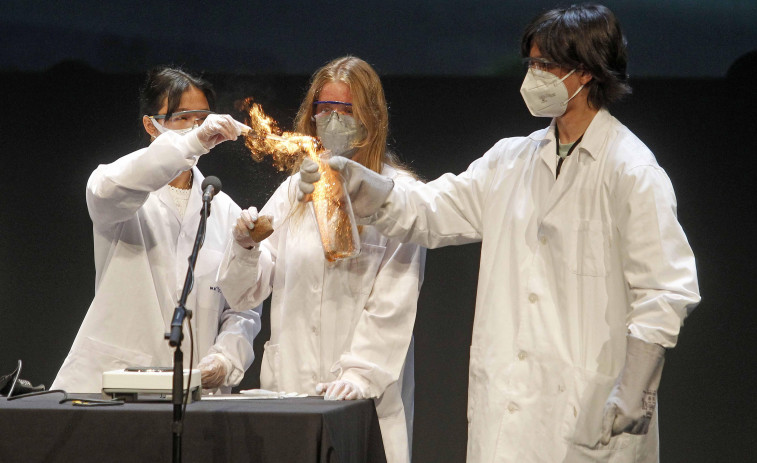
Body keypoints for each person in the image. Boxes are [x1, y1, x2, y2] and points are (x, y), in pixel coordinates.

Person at [298, 6, 701, 463]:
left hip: (587, 415)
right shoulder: (510, 160)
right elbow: (431, 211)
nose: (533, 76)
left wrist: (636, 389)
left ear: (586, 72)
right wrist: (362, 186)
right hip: (506, 420)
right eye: (530, 64)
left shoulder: (632, 170)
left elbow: (665, 290)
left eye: (545, 65)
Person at [218, 56, 424, 463]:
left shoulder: (398, 196)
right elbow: (245, 295)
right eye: (323, 109)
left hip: (364, 400)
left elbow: (393, 302)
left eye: (345, 109)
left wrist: (359, 373)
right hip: (292, 394)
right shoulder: (294, 191)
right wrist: (245, 247)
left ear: (371, 117)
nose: (332, 119)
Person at [52, 66, 260, 394]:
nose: (196, 127)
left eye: (202, 117)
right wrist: (192, 143)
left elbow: (243, 307)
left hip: (195, 394)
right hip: (115, 389)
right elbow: (108, 189)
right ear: (151, 124)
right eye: (183, 117)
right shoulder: (118, 186)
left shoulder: (223, 209)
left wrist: (226, 358)